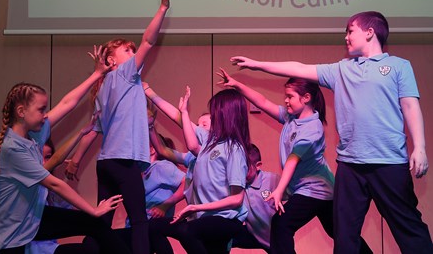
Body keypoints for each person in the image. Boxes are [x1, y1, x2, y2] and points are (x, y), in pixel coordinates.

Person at [230, 11, 433, 253]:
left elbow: (410, 106)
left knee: (408, 228)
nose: (346, 37)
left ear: (370, 32)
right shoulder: (341, 70)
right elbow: (298, 67)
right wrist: (258, 65)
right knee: (345, 235)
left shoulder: (398, 66)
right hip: (350, 165)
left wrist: (419, 147)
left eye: (350, 31)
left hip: (388, 161)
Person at [64, 0, 172, 254]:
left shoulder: (102, 91)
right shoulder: (124, 76)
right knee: (139, 222)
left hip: (106, 164)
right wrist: (162, 8)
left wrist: (75, 160)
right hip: (123, 162)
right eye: (127, 51)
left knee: (103, 220)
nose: (134, 53)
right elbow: (149, 40)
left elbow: (92, 130)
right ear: (111, 61)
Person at [0, 49, 129, 254]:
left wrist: (98, 74)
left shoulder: (33, 135)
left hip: (32, 219)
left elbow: (67, 103)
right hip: (9, 237)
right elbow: (54, 183)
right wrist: (93, 209)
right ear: (21, 112)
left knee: (94, 224)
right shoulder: (12, 148)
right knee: (93, 219)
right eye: (41, 109)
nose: (45, 115)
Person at [220, 70, 371, 253]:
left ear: (306, 98)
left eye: (290, 96)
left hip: (316, 190)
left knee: (281, 223)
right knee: (340, 233)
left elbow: (293, 160)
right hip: (312, 191)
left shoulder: (313, 128)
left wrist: (279, 190)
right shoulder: (291, 118)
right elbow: (264, 102)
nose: (285, 100)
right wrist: (238, 85)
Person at [151, 86, 250, 254]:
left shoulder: (234, 149)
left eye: (214, 113)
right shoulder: (209, 142)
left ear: (226, 115)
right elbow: (189, 140)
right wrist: (151, 93)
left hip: (225, 218)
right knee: (154, 227)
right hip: (203, 217)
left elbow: (237, 199)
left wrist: (196, 208)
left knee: (187, 231)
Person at [231, 144, 281, 252]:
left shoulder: (272, 180)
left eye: (245, 168)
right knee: (221, 237)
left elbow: (295, 192)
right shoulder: (237, 186)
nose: (239, 173)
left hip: (275, 238)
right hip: (254, 234)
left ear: (257, 165)